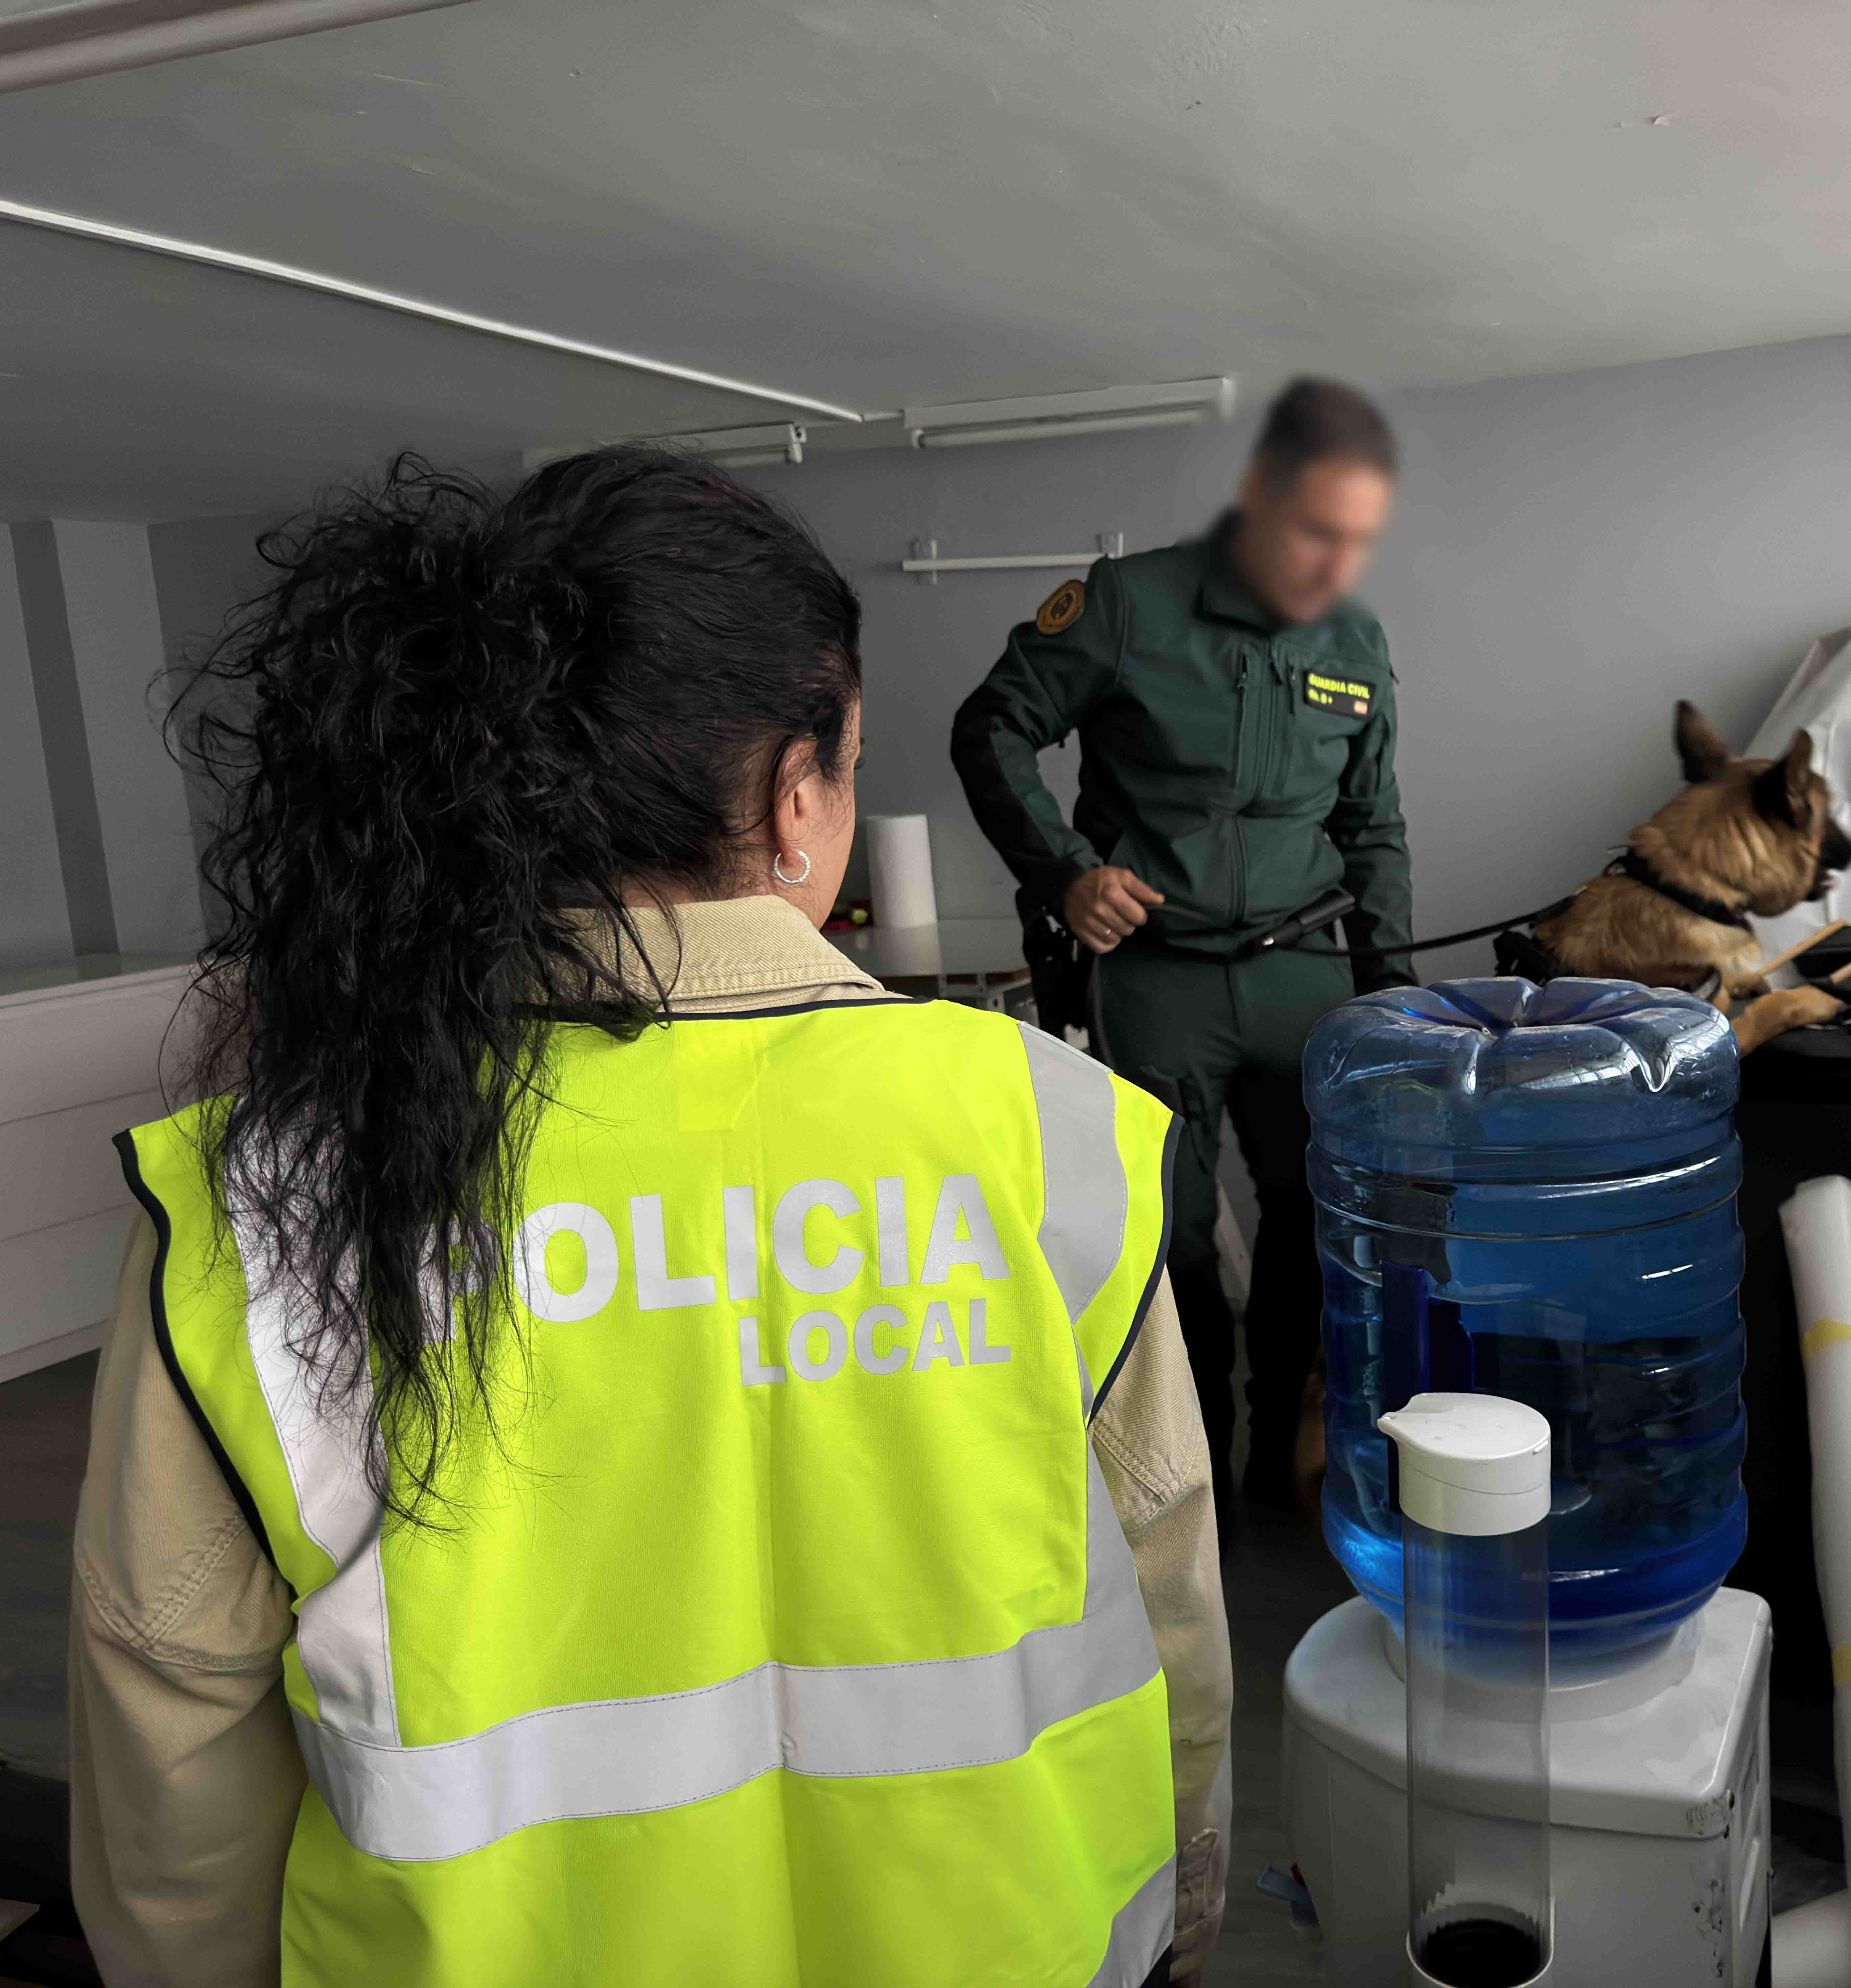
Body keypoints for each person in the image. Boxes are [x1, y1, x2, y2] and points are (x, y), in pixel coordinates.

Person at [65, 449, 1231, 1988]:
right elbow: (1171, 1608)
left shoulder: (275, 1198)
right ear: (791, 796)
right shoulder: (1049, 1128)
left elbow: (176, 1758)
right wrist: (1190, 1911)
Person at [949, 379, 1412, 1514]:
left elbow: (1372, 826)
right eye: (1315, 530)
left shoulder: (1354, 638)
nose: (1333, 562)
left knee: (1316, 1220)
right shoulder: (1125, 603)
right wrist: (1065, 876)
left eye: (1357, 540)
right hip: (1158, 971)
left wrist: (1394, 1000)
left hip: (1304, 970)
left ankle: (1278, 1473)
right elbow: (992, 726)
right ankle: (1186, 1479)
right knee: (1174, 1241)